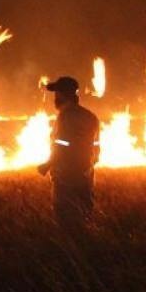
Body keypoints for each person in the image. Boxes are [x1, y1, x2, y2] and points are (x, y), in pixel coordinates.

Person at [37, 76, 100, 230]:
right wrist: (89, 164)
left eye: (56, 93)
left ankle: (68, 247)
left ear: (63, 94)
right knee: (85, 214)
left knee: (65, 217)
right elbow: (96, 146)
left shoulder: (65, 117)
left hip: (65, 174)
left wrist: (48, 164)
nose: (55, 98)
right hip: (86, 174)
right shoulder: (90, 116)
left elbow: (61, 144)